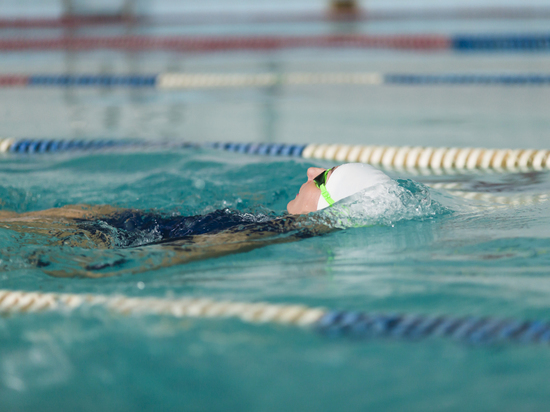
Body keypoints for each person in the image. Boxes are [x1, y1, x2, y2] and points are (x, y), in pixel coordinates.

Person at [1, 163, 390, 278]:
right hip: (148, 222)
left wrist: (107, 268)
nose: (310, 170)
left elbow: (200, 249)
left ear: (323, 204)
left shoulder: (279, 233)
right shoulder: (279, 224)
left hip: (127, 240)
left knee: (23, 224)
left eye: (322, 177)